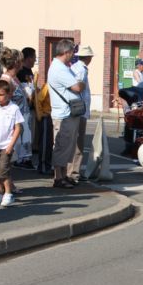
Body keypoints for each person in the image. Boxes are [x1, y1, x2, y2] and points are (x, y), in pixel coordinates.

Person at [47, 39, 86, 189]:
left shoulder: (61, 67)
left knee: (67, 146)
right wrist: (81, 83)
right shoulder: (59, 69)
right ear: (66, 52)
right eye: (72, 53)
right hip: (64, 114)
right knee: (62, 146)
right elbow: (77, 87)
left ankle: (63, 176)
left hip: (67, 113)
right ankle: (58, 178)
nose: (73, 56)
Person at [0, 48, 35, 170]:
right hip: (14, 123)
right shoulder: (6, 80)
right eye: (21, 60)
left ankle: (22, 161)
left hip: (22, 120)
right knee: (8, 161)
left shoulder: (14, 78)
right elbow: (3, 102)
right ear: (16, 62)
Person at [69, 45, 94, 183]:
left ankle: (73, 172)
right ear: (88, 57)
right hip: (79, 109)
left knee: (75, 142)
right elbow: (77, 87)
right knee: (78, 143)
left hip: (77, 109)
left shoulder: (76, 67)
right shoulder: (81, 69)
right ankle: (74, 173)